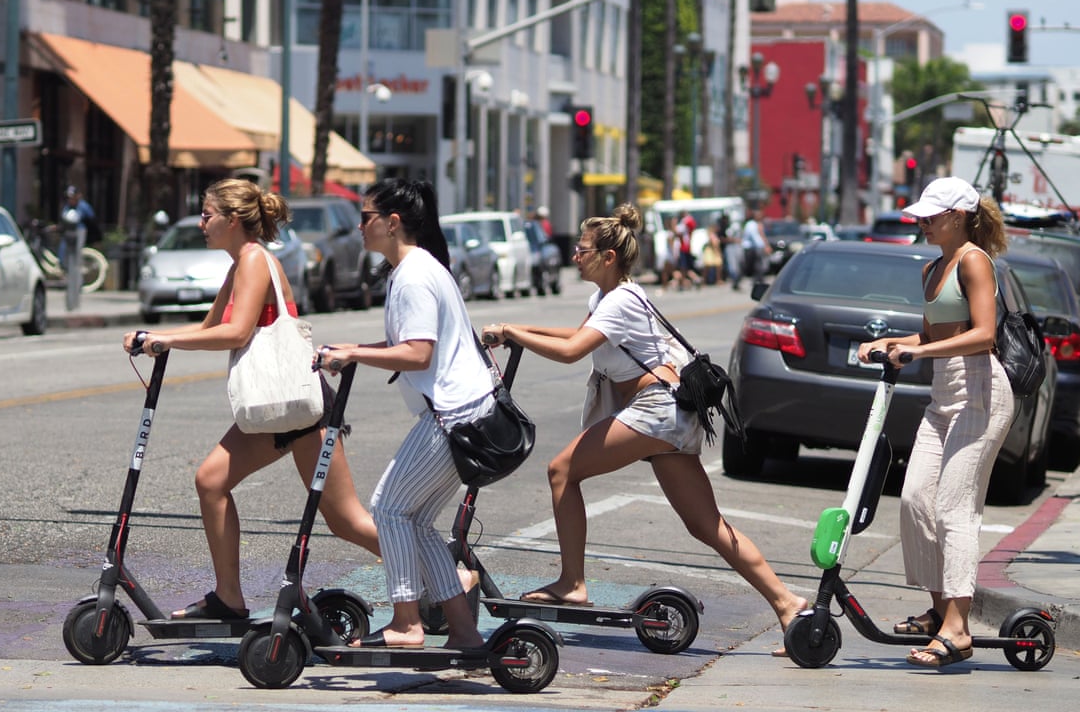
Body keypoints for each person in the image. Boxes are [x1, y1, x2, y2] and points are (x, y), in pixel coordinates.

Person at [480, 203, 807, 654]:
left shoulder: (620, 302)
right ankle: (789, 603)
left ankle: (573, 582)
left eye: (583, 249)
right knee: (705, 525)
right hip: (667, 411)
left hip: (656, 409)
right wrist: (515, 327)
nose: (575, 255)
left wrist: (513, 335)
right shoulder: (610, 298)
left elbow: (573, 350)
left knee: (562, 471)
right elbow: (576, 332)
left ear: (608, 257)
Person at [126, 178, 381, 620]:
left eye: (208, 215)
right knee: (211, 481)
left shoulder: (254, 261)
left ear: (234, 219)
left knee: (346, 521)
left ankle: (446, 575)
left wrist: (166, 341)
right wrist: (154, 338)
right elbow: (208, 330)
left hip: (299, 406)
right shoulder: (239, 264)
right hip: (272, 409)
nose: (202, 222)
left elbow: (238, 331)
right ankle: (228, 599)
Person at [316, 178, 488, 651]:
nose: (359, 225)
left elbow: (417, 354)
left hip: (452, 417)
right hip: (463, 414)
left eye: (367, 216)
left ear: (392, 224)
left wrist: (354, 355)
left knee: (388, 508)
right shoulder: (411, 270)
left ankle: (407, 622)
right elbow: (405, 348)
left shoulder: (413, 275)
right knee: (414, 521)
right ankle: (464, 631)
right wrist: (351, 349)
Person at [857, 177, 1014, 669]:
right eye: (920, 216)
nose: (921, 222)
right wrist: (889, 344)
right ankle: (938, 608)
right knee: (914, 499)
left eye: (930, 215)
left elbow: (984, 335)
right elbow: (932, 334)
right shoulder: (932, 268)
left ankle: (958, 628)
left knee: (953, 507)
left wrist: (919, 350)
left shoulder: (973, 260)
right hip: (943, 394)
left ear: (959, 215)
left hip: (981, 392)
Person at [739, 207, 771, 290]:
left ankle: (758, 282)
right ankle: (737, 280)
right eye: (758, 215)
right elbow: (754, 237)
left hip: (755, 248)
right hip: (750, 249)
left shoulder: (757, 224)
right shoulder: (751, 224)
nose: (760, 216)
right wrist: (764, 246)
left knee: (758, 266)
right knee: (747, 266)